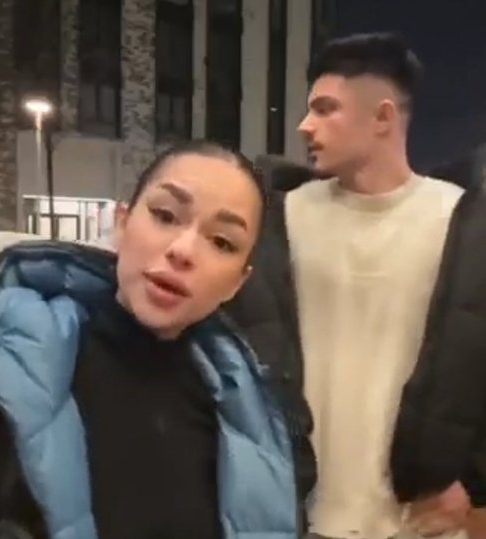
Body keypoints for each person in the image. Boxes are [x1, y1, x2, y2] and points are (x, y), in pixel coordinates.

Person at [0, 141, 303, 539]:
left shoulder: (254, 413)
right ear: (122, 223)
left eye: (221, 242)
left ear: (237, 282)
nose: (183, 251)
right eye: (165, 215)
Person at [228, 32, 486, 539]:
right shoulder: (277, 218)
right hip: (295, 515)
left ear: (383, 117)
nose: (305, 125)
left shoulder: (464, 222)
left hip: (419, 523)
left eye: (326, 109)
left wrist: (475, 480)